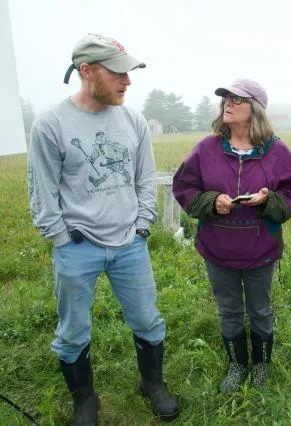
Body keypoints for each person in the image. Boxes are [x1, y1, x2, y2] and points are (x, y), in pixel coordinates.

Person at [27, 33, 180, 425]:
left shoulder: (133, 121)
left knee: (147, 319)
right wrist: (62, 239)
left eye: (129, 73)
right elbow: (42, 193)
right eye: (118, 73)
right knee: (73, 331)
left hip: (130, 243)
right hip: (77, 247)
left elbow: (145, 179)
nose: (127, 81)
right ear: (86, 71)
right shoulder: (51, 125)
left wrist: (143, 225)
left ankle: (153, 385)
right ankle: (85, 402)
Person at [172, 79, 291, 393]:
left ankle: (261, 365)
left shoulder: (277, 150)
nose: (228, 104)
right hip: (217, 249)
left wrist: (268, 200)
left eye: (237, 100)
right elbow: (184, 187)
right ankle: (236, 365)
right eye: (226, 99)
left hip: (260, 249)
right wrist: (211, 202)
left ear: (255, 110)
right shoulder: (207, 148)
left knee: (260, 309)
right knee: (229, 309)